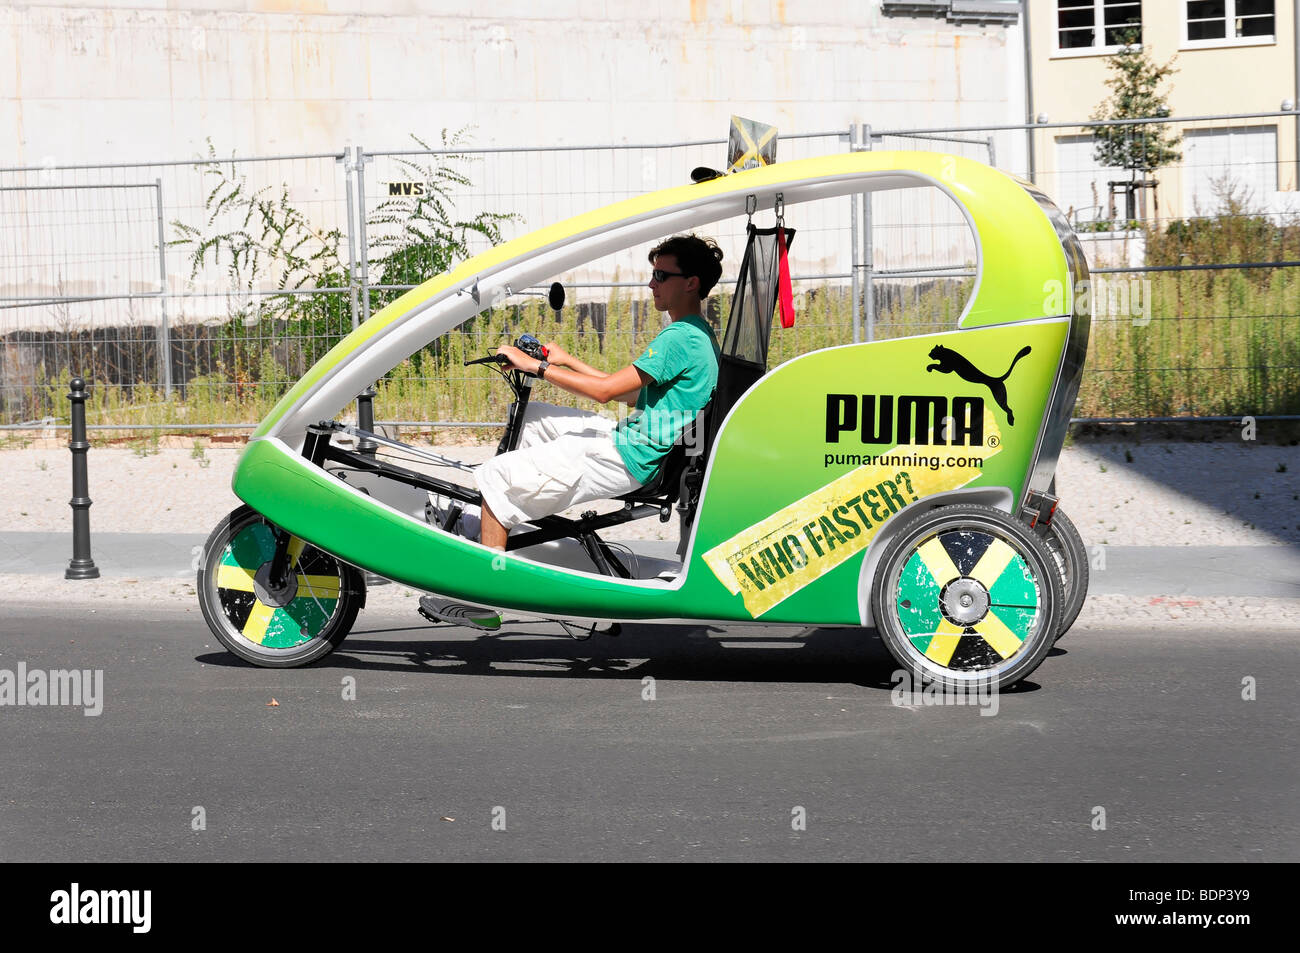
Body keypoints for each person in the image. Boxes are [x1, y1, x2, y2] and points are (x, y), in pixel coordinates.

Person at [474, 233, 724, 551]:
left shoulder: (679, 337)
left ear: (691, 283)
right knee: (535, 418)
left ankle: (488, 580)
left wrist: (534, 366)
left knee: (496, 476)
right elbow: (627, 393)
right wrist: (566, 361)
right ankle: (503, 517)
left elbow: (605, 392)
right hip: (636, 445)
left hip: (630, 459)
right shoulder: (699, 334)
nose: (651, 284)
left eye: (660, 276)